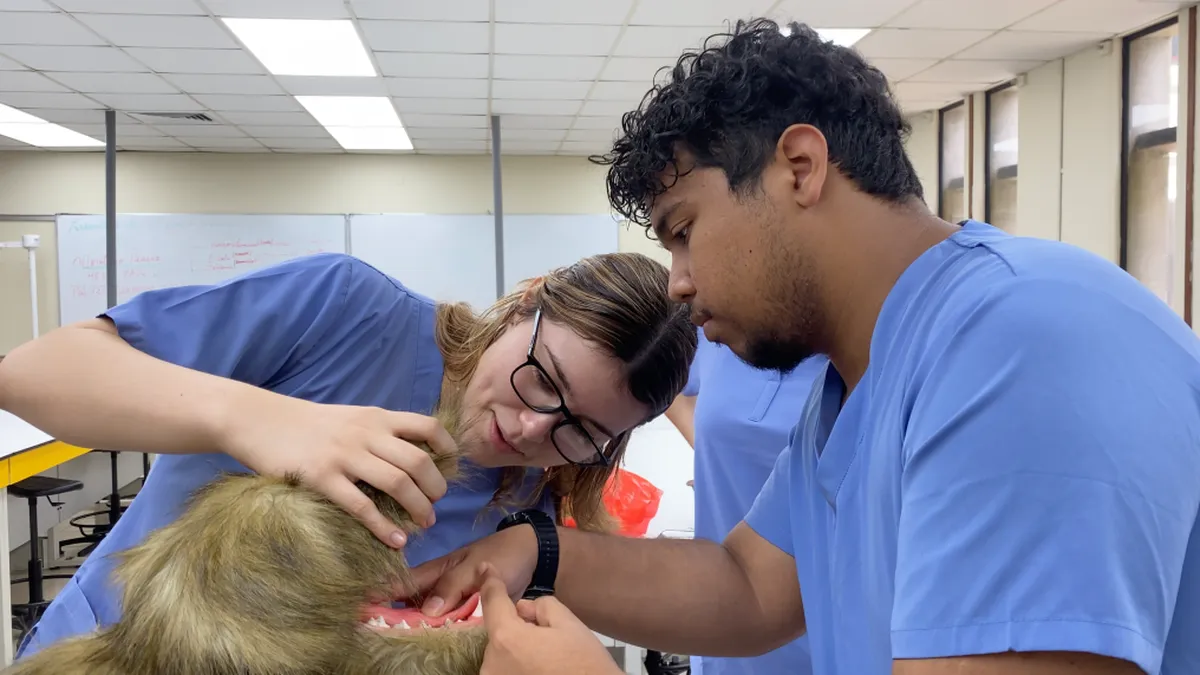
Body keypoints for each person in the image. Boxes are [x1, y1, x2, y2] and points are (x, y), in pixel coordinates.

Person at [406, 18, 1200, 675]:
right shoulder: (850, 388)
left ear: (800, 167)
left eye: (685, 231)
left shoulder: (1018, 344)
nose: (678, 284)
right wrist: (530, 553)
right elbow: (750, 586)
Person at [0, 250, 696, 658]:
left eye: (577, 431)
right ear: (524, 307)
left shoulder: (524, 503)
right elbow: (33, 373)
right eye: (541, 377)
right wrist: (259, 417)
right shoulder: (346, 312)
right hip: (111, 651)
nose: (528, 426)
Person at [662, 328, 825, 675]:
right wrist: (710, 451)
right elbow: (665, 383)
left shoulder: (868, 357)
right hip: (727, 624)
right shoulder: (719, 324)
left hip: (836, 632)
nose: (680, 285)